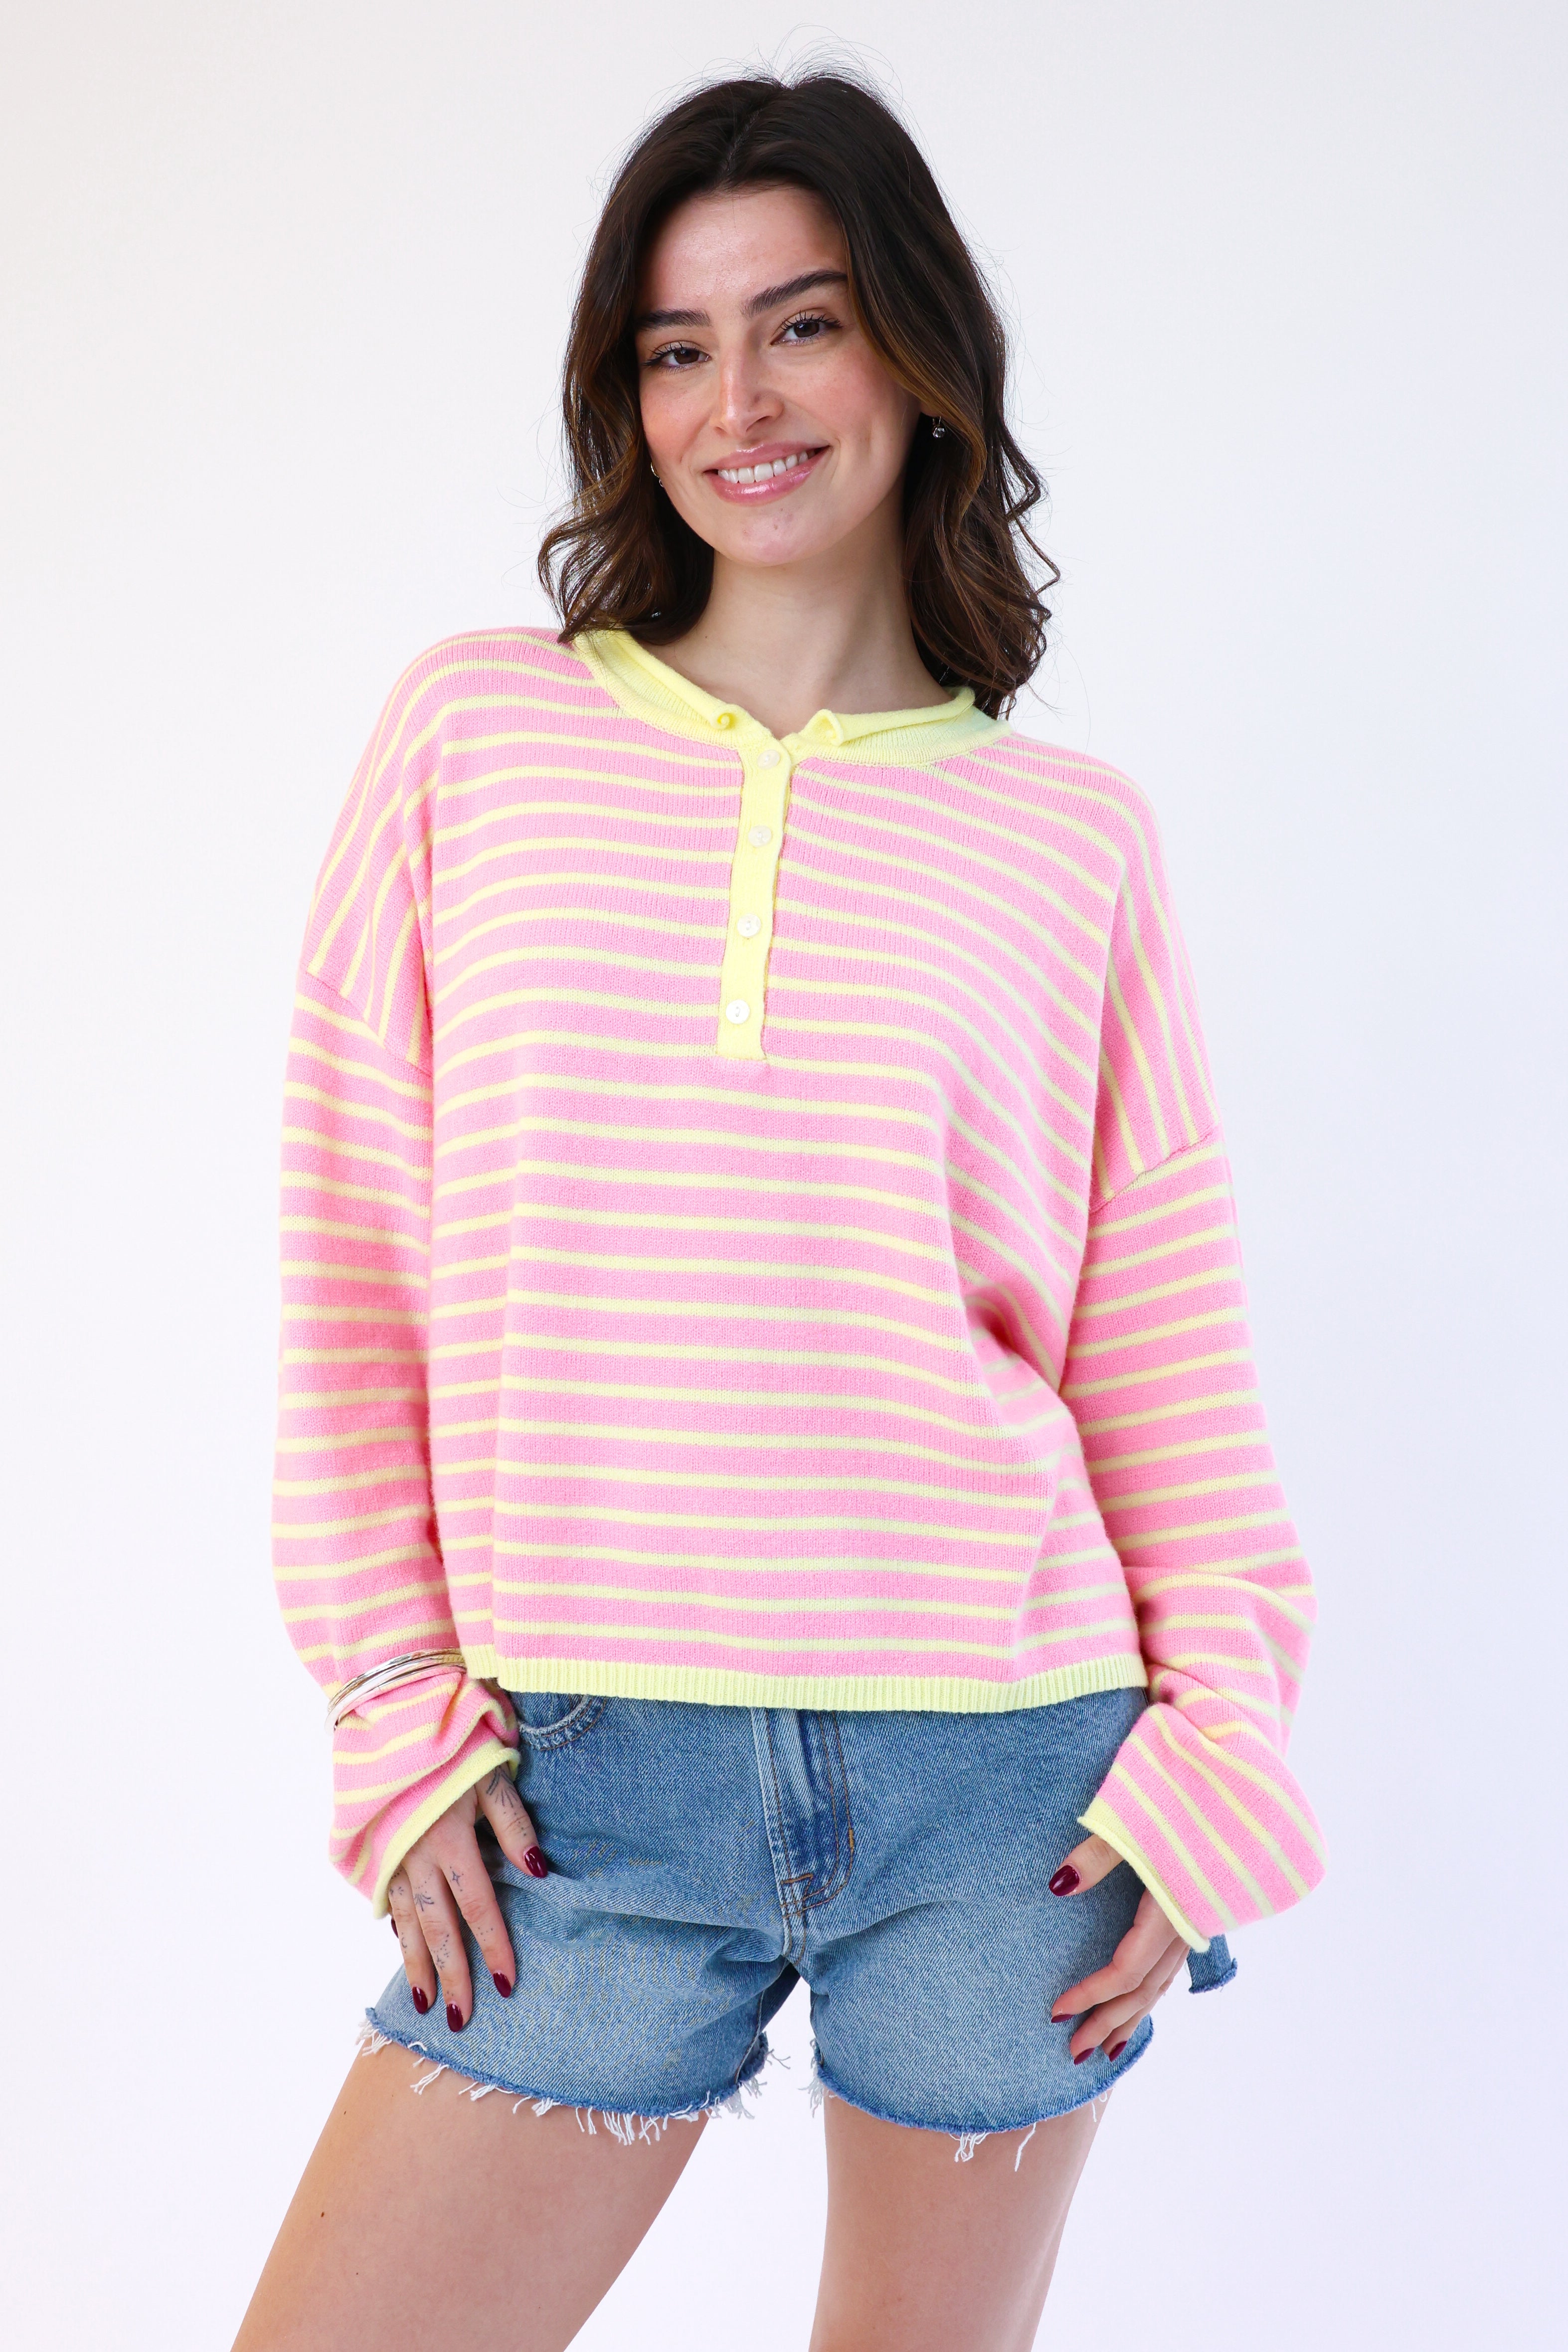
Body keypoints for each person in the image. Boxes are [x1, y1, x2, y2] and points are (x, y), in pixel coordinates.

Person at [238, 69, 1324, 2352]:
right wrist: (389, 1711)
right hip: (575, 1795)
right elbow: (350, 1265)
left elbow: (1161, 1339)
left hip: (1004, 1788)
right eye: (672, 343)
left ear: (917, 363)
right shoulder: (473, 738)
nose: (735, 398)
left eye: (799, 324)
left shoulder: (1071, 839)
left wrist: (1211, 1759)